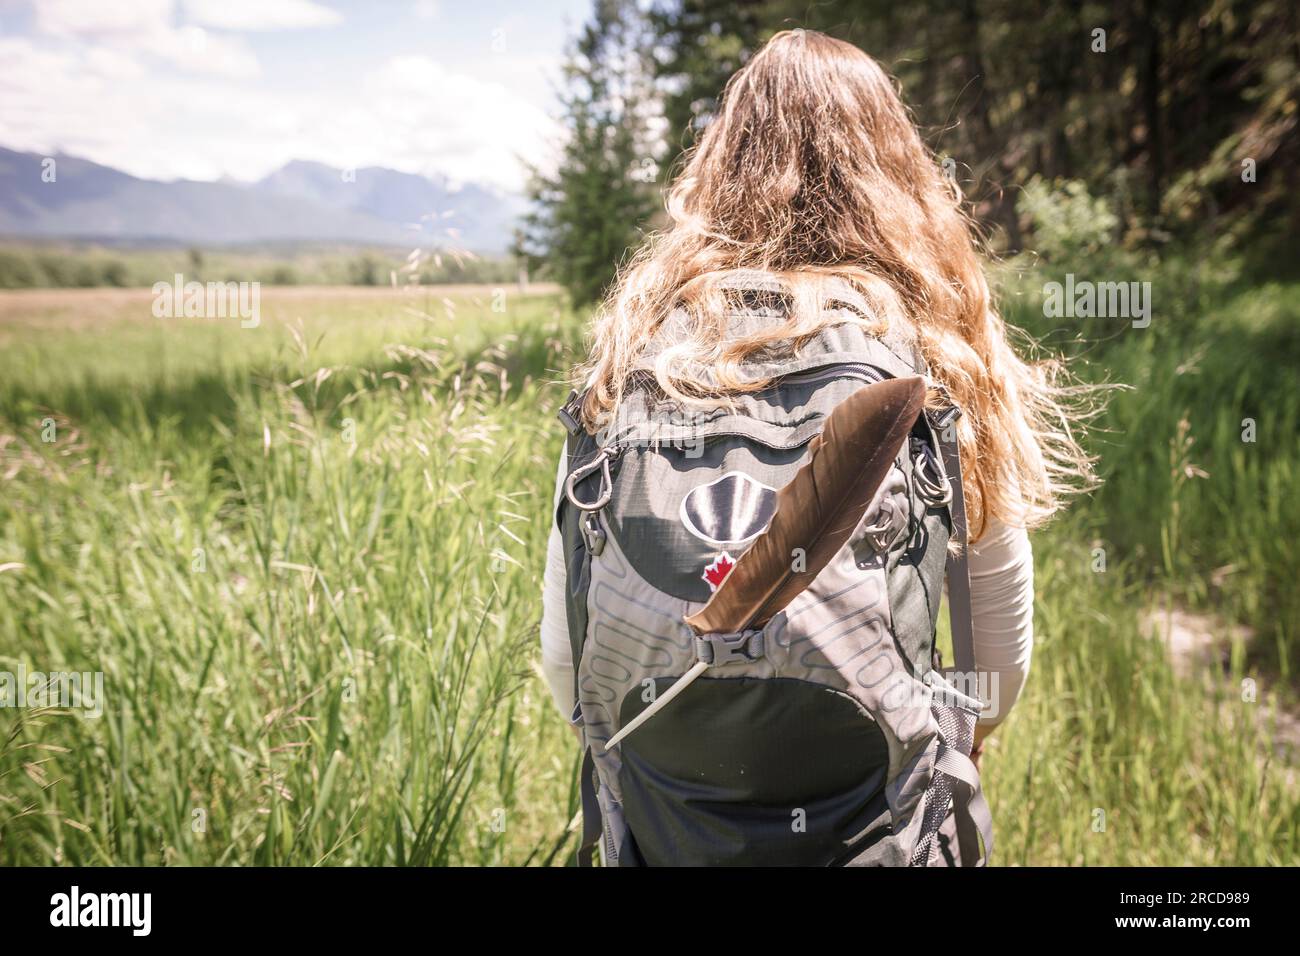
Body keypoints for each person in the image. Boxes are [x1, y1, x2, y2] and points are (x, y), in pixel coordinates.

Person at [539, 28, 1096, 863]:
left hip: (662, 824)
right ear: (895, 168)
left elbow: (565, 659)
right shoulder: (931, 351)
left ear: (718, 162)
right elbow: (995, 668)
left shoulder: (634, 351)